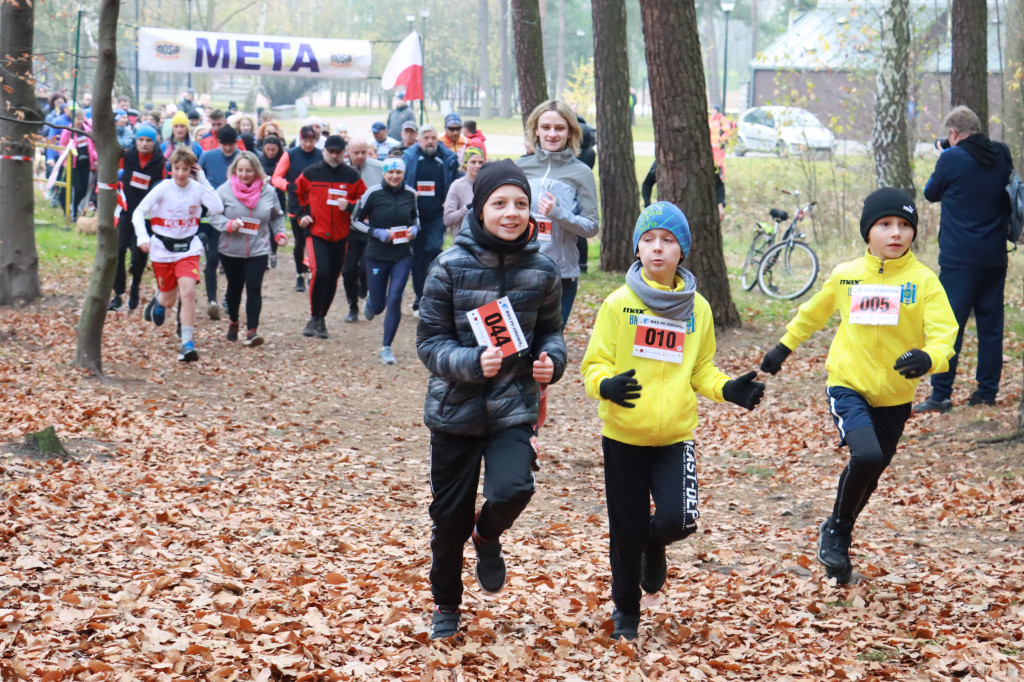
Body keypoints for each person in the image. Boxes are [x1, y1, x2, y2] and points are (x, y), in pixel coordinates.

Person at [581, 201, 765, 640]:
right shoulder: (618, 304)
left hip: (674, 438)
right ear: (637, 249)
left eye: (667, 240)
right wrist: (605, 385)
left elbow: (701, 370)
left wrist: (729, 390)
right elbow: (594, 365)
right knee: (624, 530)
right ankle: (626, 612)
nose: (657, 248)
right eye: (648, 240)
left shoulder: (697, 309)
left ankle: (655, 543)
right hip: (623, 436)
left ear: (682, 250)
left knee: (679, 520)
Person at [759, 187, 957, 584]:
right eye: (885, 224)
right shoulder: (847, 276)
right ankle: (837, 531)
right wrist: (782, 350)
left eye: (904, 225)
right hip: (849, 385)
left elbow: (944, 335)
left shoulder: (924, 281)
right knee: (865, 457)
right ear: (868, 232)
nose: (895, 233)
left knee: (874, 469)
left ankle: (836, 534)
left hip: (896, 398)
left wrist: (928, 358)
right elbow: (812, 315)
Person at [416, 159, 567, 640]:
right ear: (479, 209)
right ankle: (446, 605)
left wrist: (551, 361)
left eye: (521, 204)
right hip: (454, 412)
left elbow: (552, 334)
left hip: (512, 408)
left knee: (514, 489)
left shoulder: (543, 270)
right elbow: (428, 342)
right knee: (448, 520)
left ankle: (487, 534)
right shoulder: (448, 267)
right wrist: (468, 361)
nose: (512, 213)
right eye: (500, 203)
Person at [914, 105, 1013, 413]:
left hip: (959, 259)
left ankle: (941, 394)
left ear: (954, 133)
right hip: (994, 256)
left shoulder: (952, 157)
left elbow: (931, 193)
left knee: (948, 327)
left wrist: (944, 152)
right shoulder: (1001, 153)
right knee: (991, 327)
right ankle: (986, 393)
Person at [515, 99, 599, 329]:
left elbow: (591, 226)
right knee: (517, 347)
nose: (552, 134)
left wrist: (559, 214)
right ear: (536, 130)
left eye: (559, 128)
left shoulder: (581, 173)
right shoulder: (520, 167)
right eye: (546, 127)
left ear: (570, 132)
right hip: (519, 270)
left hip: (560, 277)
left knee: (547, 349)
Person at [135, 147, 225, 362]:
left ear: (192, 170)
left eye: (186, 169)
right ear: (171, 168)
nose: (181, 174)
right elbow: (139, 211)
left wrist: (202, 178)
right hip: (163, 249)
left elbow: (218, 207)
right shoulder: (163, 188)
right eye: (177, 169)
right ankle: (159, 300)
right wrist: (142, 237)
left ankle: (187, 343)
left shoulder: (197, 187)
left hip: (188, 248)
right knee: (169, 299)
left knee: (188, 293)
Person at [209, 151, 288, 347]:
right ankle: (234, 321)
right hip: (230, 249)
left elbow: (277, 216)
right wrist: (227, 225)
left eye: (249, 171)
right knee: (234, 288)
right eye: (241, 170)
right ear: (234, 170)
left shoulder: (267, 191)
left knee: (254, 287)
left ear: (256, 171)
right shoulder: (224, 190)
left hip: (258, 248)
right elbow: (212, 215)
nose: (244, 174)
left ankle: (252, 330)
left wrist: (279, 234)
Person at [295, 134, 367, 339]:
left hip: (341, 235)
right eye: (331, 151)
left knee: (333, 278)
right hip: (316, 232)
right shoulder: (311, 173)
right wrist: (301, 215)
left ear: (344, 153)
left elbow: (364, 201)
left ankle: (321, 318)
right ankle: (313, 316)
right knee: (320, 272)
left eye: (338, 152)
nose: (334, 155)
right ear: (324, 151)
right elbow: (295, 193)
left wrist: (351, 206)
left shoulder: (351, 176)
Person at [353, 157, 418, 363]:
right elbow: (355, 221)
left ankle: (386, 347)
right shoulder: (373, 193)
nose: (394, 176)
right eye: (390, 172)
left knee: (395, 298)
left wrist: (414, 230)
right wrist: (377, 232)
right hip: (377, 255)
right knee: (379, 305)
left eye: (398, 173)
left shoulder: (411, 193)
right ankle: (372, 303)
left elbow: (416, 218)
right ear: (384, 174)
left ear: (403, 174)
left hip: (402, 255)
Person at [403, 124, 462, 316]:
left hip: (438, 215)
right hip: (416, 215)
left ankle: (431, 298)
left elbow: (454, 181)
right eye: (426, 138)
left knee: (433, 253)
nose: (430, 141)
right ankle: (419, 297)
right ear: (419, 140)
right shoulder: (410, 158)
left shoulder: (446, 158)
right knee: (418, 257)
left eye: (433, 138)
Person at [110, 125, 165, 312]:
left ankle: (135, 286)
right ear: (136, 140)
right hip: (126, 211)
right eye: (141, 139)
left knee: (139, 255)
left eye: (148, 140)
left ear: (154, 142)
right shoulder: (127, 156)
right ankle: (118, 293)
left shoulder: (161, 162)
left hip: (146, 216)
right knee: (118, 250)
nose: (144, 143)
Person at [198, 125, 242, 320]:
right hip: (212, 216)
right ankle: (212, 301)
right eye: (224, 144)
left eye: (231, 144)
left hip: (235, 215)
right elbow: (197, 181)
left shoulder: (243, 158)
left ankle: (228, 298)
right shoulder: (207, 157)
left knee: (232, 262)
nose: (227, 149)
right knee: (213, 257)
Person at [272, 125, 323, 292]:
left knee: (314, 241)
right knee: (300, 241)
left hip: (316, 203)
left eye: (311, 141)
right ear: (300, 139)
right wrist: (288, 186)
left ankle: (312, 273)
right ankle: (299, 274)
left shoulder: (320, 154)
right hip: (296, 202)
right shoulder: (290, 154)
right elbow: (276, 177)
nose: (308, 144)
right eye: (305, 141)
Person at [340, 137, 382, 321]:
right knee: (348, 270)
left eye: (363, 152)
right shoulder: (341, 170)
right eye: (356, 153)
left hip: (370, 227)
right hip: (348, 228)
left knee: (366, 267)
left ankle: (365, 286)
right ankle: (352, 307)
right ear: (348, 152)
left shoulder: (378, 168)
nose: (360, 156)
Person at [642, 162, 726, 222]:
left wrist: (720, 204)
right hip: (670, 217)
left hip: (702, 217)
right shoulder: (662, 163)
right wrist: (648, 206)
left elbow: (719, 185)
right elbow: (647, 184)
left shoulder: (704, 160)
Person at [58, 109, 96, 220]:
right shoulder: (68, 131)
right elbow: (62, 147)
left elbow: (92, 147)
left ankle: (75, 208)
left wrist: (94, 159)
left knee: (84, 189)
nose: (80, 121)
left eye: (82, 119)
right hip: (72, 164)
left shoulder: (87, 130)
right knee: (75, 187)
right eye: (78, 119)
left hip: (85, 164)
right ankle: (69, 211)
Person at [443, 146, 485, 238]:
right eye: (473, 162)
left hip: (485, 243)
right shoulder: (457, 186)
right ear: (465, 164)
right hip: (463, 242)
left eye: (480, 162)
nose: (477, 166)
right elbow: (448, 219)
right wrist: (467, 208)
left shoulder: (488, 185)